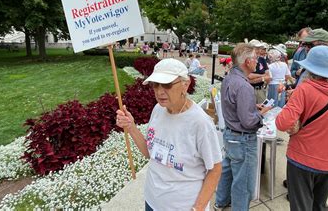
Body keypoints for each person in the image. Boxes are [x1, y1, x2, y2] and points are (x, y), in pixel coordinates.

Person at [115, 58, 222, 211]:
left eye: (167, 84)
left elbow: (215, 169)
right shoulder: (158, 110)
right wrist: (131, 127)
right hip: (152, 200)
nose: (159, 91)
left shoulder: (200, 123)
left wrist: (197, 208)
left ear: (185, 84)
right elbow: (150, 153)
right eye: (155, 84)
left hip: (182, 206)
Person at [276, 46, 328, 211]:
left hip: (301, 157)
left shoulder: (305, 89)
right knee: (319, 205)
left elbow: (282, 123)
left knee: (300, 205)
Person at [215, 43, 272, 211]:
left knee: (228, 170)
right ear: (247, 62)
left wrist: (253, 108)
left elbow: (235, 106)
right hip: (242, 138)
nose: (257, 61)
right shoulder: (244, 85)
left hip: (230, 134)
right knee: (244, 180)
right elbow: (248, 122)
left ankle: (221, 201)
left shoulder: (229, 78)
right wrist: (261, 114)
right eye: (255, 58)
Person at [248, 39, 271, 104]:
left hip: (261, 90)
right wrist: (262, 77)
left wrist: (256, 78)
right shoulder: (247, 60)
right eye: (256, 48)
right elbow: (249, 76)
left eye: (259, 48)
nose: (258, 50)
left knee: (262, 109)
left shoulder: (262, 59)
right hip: (250, 90)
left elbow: (268, 76)